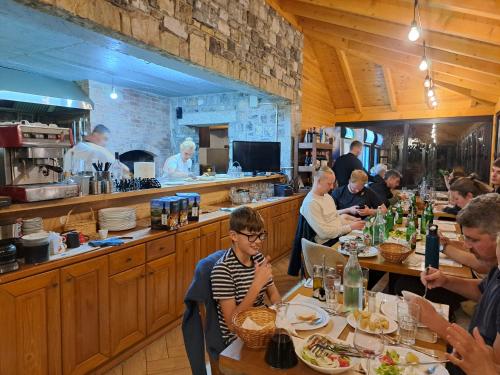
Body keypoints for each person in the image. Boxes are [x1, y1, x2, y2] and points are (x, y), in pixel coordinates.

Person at [404, 194, 500, 375]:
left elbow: (488, 366)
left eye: (474, 240)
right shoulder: (497, 267)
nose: (466, 246)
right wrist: (446, 280)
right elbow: (482, 290)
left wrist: (438, 323)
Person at [211, 206, 281, 347]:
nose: (258, 241)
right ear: (234, 236)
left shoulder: (259, 258)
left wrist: (281, 313)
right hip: (238, 338)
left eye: (261, 235)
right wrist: (257, 284)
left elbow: (273, 294)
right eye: (251, 236)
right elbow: (232, 324)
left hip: (262, 327)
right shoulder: (222, 270)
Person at [300, 166, 364, 246]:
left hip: (337, 237)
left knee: (364, 241)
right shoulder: (311, 203)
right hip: (325, 244)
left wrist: (354, 224)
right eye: (329, 184)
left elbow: (335, 219)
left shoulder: (327, 196)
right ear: (318, 181)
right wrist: (350, 227)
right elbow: (324, 233)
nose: (332, 187)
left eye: (333, 183)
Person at [63, 124, 128, 174]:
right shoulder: (94, 148)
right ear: (95, 135)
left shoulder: (77, 147)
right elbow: (125, 169)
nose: (105, 144)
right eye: (105, 139)